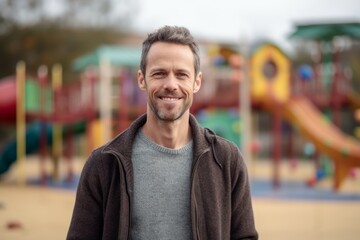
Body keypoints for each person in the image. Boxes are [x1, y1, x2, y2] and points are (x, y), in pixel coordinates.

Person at [67, 25, 258, 240]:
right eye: (159, 73)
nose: (171, 84)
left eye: (181, 74)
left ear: (196, 82)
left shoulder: (227, 160)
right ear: (142, 79)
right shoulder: (104, 164)